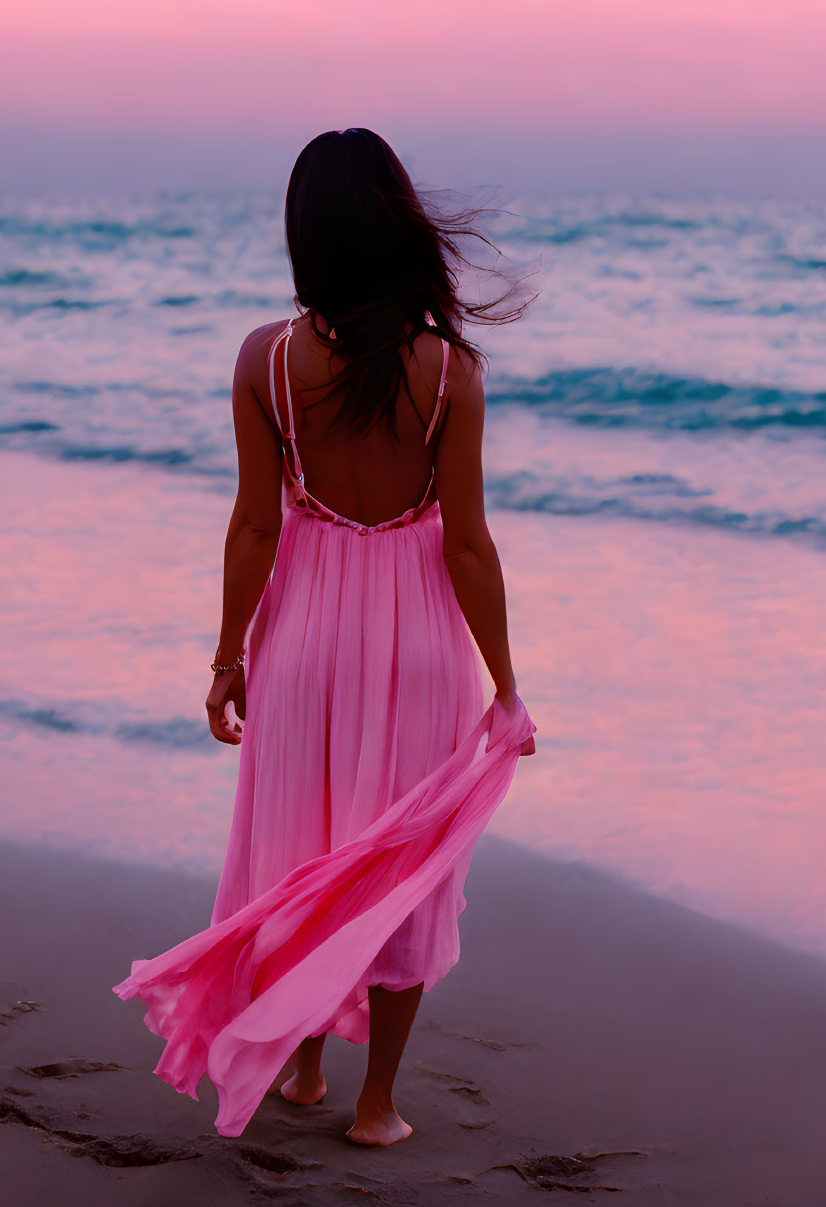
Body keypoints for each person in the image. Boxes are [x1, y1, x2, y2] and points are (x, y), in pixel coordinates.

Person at [114, 128, 536, 1148]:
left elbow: (256, 523)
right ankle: (376, 1104)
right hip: (420, 646)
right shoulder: (446, 373)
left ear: (305, 236)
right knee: (396, 867)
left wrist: (226, 658)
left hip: (299, 639)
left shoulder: (264, 361)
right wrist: (506, 684)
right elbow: (468, 544)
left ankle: (300, 1068)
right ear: (396, 228)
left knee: (304, 852)